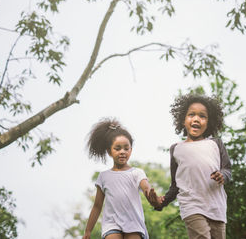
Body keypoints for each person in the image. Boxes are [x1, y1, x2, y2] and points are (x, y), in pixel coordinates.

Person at [149, 93, 232, 239]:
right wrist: (161, 203)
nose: (196, 119)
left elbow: (227, 170)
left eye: (202, 116)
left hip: (217, 207)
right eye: (191, 114)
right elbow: (176, 186)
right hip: (192, 206)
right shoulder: (176, 149)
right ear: (183, 120)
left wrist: (222, 175)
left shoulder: (216, 144)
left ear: (209, 122)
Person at [83, 118, 151, 239]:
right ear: (109, 151)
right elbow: (97, 205)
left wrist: (152, 195)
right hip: (111, 224)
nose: (122, 152)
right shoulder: (103, 177)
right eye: (117, 148)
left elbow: (145, 186)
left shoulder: (137, 173)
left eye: (126, 148)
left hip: (133, 223)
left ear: (131, 150)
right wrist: (88, 230)